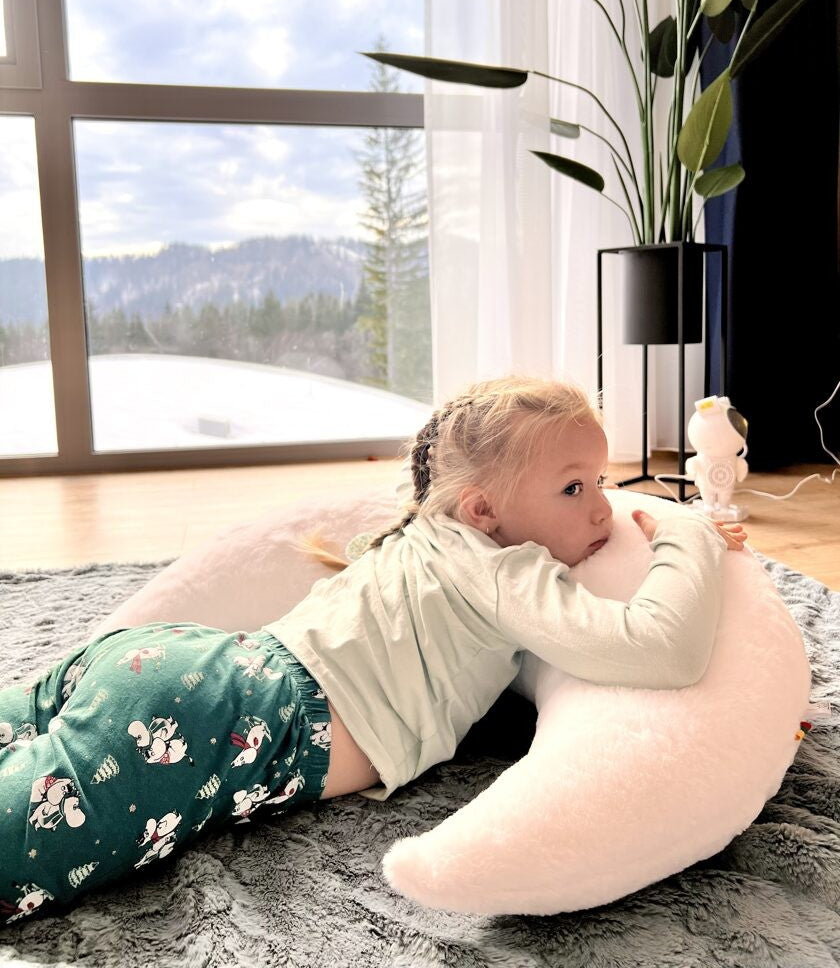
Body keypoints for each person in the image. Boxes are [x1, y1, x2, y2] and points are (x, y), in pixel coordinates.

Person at [0, 374, 745, 923]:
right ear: (484, 509)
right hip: (225, 719)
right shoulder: (503, 570)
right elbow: (661, 648)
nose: (608, 508)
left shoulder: (425, 531)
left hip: (184, 665)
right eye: (575, 488)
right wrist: (689, 535)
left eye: (602, 481)